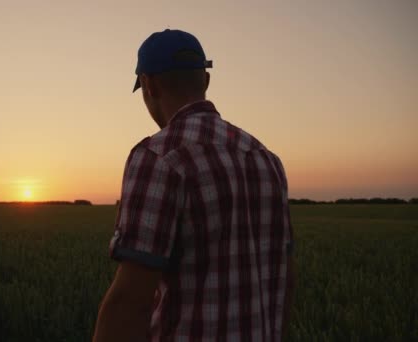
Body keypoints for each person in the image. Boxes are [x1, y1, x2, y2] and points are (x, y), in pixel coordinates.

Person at [92, 29, 294, 342]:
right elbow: (284, 276)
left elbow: (129, 304)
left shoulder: (158, 158)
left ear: (149, 85)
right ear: (206, 82)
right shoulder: (265, 159)